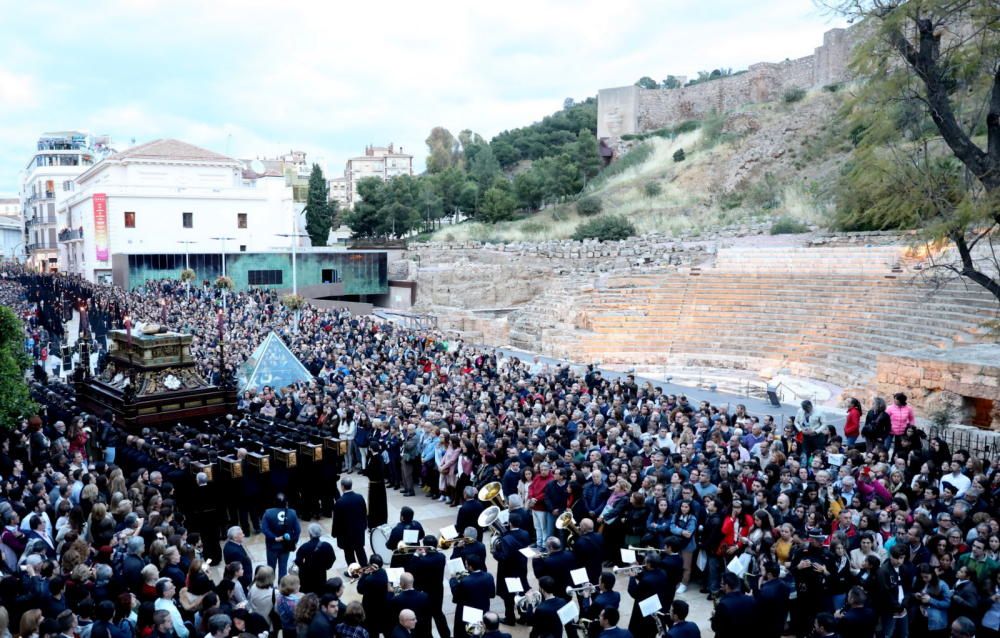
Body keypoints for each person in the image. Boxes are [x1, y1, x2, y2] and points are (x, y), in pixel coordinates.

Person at [493, 511, 532, 625]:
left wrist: (495, 553)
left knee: (508, 595)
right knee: (521, 592)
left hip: (508, 570)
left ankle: (509, 618)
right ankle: (524, 616)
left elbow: (504, 557)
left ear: (510, 523)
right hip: (521, 567)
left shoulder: (506, 537)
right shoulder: (525, 533)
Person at [410, 537, 451, 638]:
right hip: (438, 591)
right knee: (438, 614)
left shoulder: (422, 560)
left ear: (425, 546)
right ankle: (445, 635)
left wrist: (416, 555)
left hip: (425, 592)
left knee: (426, 617)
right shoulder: (441, 556)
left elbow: (411, 568)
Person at [450, 555, 495, 638]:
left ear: (470, 567)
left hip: (468, 611)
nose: (465, 566)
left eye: (466, 564)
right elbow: (492, 594)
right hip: (483, 608)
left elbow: (456, 597)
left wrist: (453, 580)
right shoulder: (489, 576)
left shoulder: (465, 581)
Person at [261, 493, 301, 580]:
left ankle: (270, 588)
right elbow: (297, 530)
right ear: (286, 502)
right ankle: (282, 589)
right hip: (286, 545)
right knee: (283, 569)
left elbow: (264, 529)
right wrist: (294, 541)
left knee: (271, 568)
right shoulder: (292, 513)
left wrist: (274, 538)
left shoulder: (268, 513)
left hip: (272, 545)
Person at [627, 555, 669, 638]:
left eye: (645, 562)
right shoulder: (663, 573)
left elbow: (634, 593)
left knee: (639, 631)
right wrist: (637, 572)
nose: (643, 564)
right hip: (655, 605)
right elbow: (647, 576)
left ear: (649, 564)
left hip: (644, 609)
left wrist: (632, 577)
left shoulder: (647, 581)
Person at [333, 478, 369, 568]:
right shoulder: (359, 497)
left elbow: (336, 521)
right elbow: (364, 513)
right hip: (358, 531)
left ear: (342, 487)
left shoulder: (339, 502)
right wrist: (364, 526)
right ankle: (365, 568)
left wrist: (334, 533)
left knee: (349, 554)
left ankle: (354, 572)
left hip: (346, 534)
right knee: (360, 550)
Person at [711, 573, 757, 638]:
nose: (720, 586)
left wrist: (714, 617)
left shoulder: (723, 605)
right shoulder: (751, 600)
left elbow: (715, 627)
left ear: (727, 586)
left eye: (722, 584)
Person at [295, 523, 336, 594]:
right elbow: (332, 558)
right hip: (321, 575)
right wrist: (326, 567)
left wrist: (304, 568)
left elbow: (298, 562)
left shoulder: (304, 547)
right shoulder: (327, 546)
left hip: (306, 578)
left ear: (310, 533)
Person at [754, 562, 791, 638]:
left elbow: (758, 606)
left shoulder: (765, 590)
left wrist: (759, 587)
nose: (761, 573)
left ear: (769, 574)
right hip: (780, 623)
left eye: (763, 571)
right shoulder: (785, 585)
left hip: (767, 625)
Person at [387, 574, 430, 638]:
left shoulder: (396, 600)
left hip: (407, 631)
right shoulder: (425, 596)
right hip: (423, 631)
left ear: (401, 584)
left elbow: (393, 618)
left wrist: (391, 593)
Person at [357, 555, 389, 638]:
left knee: (371, 629)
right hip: (381, 605)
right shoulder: (383, 572)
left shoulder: (369, 579)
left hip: (370, 607)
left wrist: (364, 575)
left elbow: (360, 589)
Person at [222, 526, 254, 592]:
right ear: (235, 538)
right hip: (243, 581)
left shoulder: (230, 544)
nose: (243, 535)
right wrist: (246, 582)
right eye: (241, 534)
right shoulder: (235, 552)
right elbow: (238, 570)